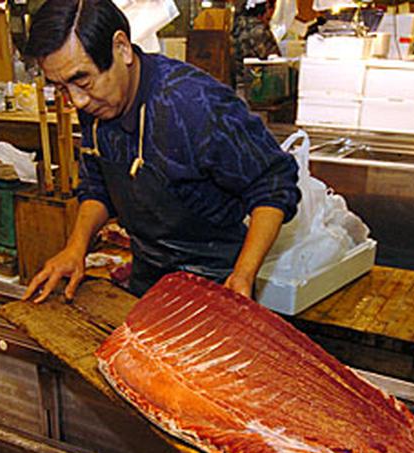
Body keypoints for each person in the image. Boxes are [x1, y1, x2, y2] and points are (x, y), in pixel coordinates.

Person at [21, 0, 300, 302]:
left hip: (218, 280)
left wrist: (243, 275)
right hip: (148, 276)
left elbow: (273, 184)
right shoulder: (96, 103)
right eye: (61, 88)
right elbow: (97, 186)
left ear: (122, 48)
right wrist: (76, 248)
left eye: (82, 80)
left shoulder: (195, 104)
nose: (77, 101)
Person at [231, 0, 280, 97]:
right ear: (266, 8)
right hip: (254, 88)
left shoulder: (236, 25)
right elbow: (273, 60)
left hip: (234, 84)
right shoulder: (259, 30)